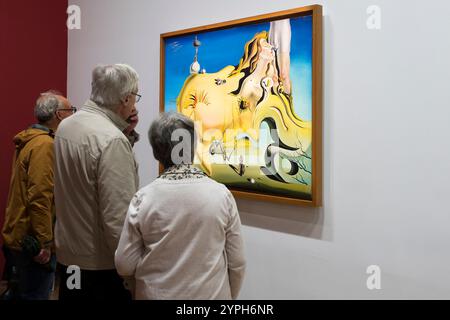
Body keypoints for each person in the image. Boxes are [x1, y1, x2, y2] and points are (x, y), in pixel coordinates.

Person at [115, 112, 246, 300]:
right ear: (193, 147)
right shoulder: (221, 195)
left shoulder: (143, 199)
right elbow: (238, 262)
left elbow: (124, 264)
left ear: (156, 152)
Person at [53, 64, 141, 300]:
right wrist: (131, 276)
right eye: (135, 97)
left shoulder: (66, 125)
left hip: (68, 259)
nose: (135, 105)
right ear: (124, 99)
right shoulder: (111, 140)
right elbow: (118, 221)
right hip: (100, 269)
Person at [1, 91, 75, 300]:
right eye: (71, 110)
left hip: (20, 235)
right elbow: (40, 198)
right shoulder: (45, 145)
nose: (73, 115)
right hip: (32, 242)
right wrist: (44, 244)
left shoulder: (30, 140)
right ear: (59, 114)